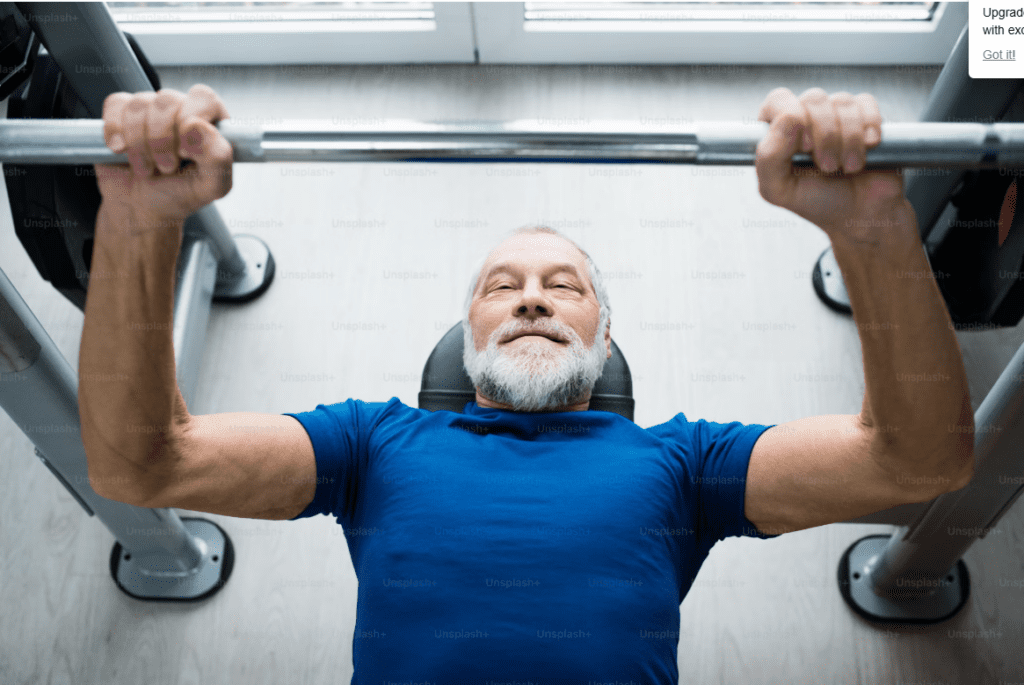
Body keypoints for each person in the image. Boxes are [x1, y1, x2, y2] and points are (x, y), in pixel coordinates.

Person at [79, 84, 975, 684]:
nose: (533, 298)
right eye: (501, 286)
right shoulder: (369, 443)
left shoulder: (686, 461)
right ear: (465, 334)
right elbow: (143, 467)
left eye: (565, 285)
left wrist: (871, 229)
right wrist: (137, 219)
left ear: (605, 332)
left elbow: (915, 465)